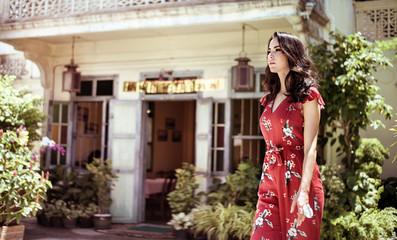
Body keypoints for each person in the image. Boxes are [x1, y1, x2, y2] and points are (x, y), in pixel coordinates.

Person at [250, 32, 324, 240]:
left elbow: (311, 146)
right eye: (269, 51)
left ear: (292, 55)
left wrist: (303, 192)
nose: (270, 56)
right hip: (270, 179)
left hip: (299, 180)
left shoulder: (308, 96)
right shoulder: (269, 100)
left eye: (277, 50)